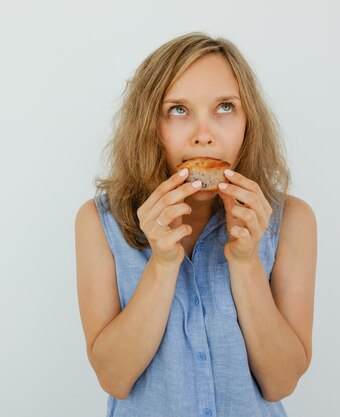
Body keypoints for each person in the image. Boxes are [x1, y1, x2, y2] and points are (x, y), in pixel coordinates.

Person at [75, 32, 316, 417]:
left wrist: (245, 261)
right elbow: (114, 378)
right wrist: (163, 263)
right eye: (178, 110)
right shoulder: (100, 222)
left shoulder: (291, 222)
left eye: (224, 107)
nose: (204, 135)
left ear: (247, 121)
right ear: (150, 125)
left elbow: (281, 382)